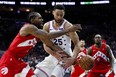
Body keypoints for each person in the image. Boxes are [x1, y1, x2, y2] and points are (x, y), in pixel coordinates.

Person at [0, 12, 82, 77]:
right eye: (39, 18)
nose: (42, 19)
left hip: (19, 61)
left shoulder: (38, 34)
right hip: (9, 60)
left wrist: (70, 58)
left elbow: (52, 45)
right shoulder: (28, 27)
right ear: (32, 20)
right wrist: (69, 30)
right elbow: (48, 35)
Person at [34, 5, 80, 77]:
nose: (59, 17)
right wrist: (54, 54)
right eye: (57, 15)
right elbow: (45, 44)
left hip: (65, 57)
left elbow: (77, 44)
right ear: (53, 12)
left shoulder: (68, 26)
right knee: (36, 74)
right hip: (53, 55)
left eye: (61, 15)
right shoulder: (47, 26)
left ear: (64, 13)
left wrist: (73, 58)